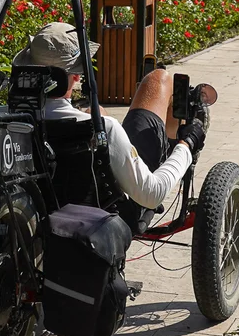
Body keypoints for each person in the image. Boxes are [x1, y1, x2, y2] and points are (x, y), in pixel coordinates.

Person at [11, 21, 207, 210]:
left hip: (37, 203)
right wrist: (187, 145)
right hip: (111, 211)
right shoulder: (103, 127)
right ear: (77, 75)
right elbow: (151, 194)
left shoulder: (2, 118)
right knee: (159, 79)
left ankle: (137, 149)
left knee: (96, 111)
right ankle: (173, 145)